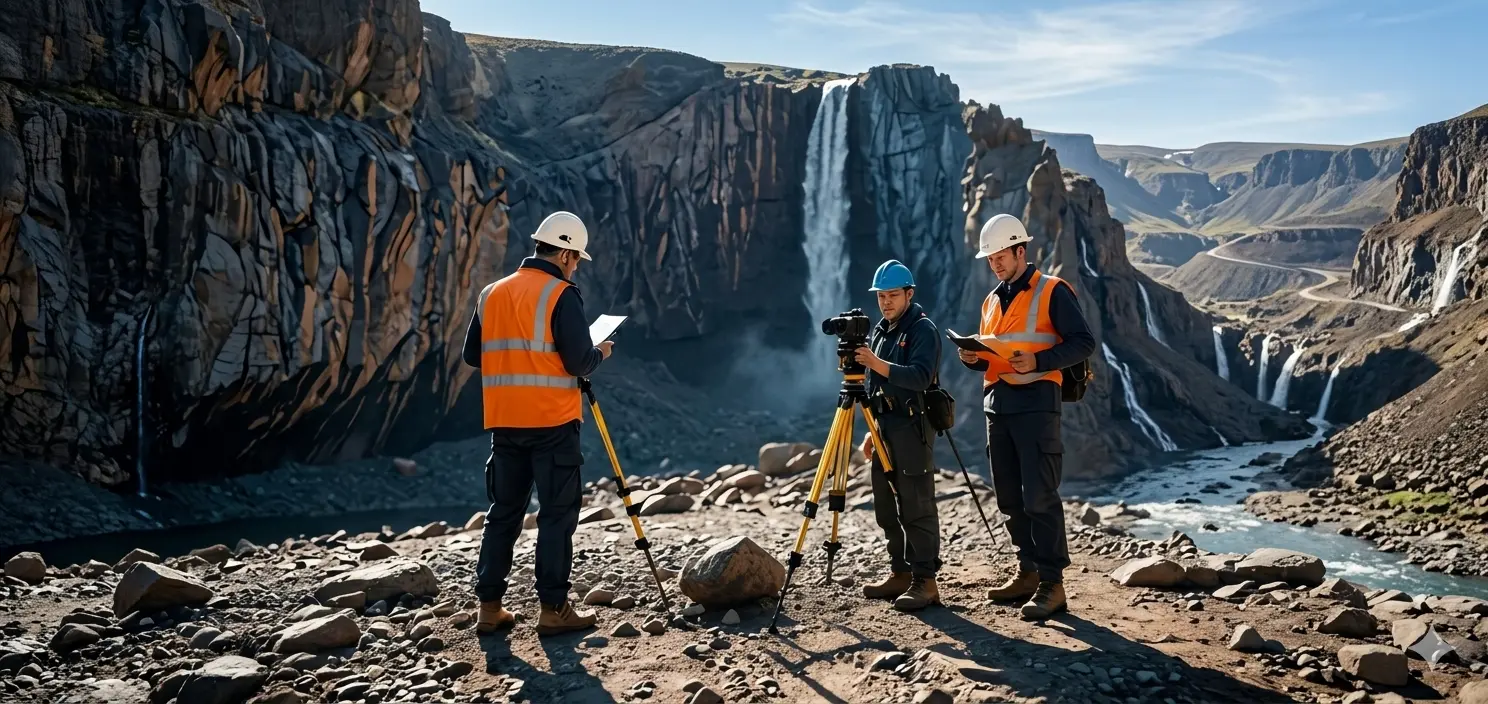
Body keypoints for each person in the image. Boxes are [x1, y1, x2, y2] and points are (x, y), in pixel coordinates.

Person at [461, 211, 613, 637]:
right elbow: (579, 362)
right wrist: (601, 352)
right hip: (552, 423)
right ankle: (553, 609)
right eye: (576, 258)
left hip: (505, 423)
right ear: (564, 254)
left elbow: (473, 355)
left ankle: (489, 608)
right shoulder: (562, 294)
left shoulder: (491, 293)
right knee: (556, 516)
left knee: (503, 514)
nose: (576, 266)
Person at [959, 214, 1095, 620]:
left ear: (1021, 250)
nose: (995, 264)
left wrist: (1038, 360)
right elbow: (993, 355)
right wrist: (971, 357)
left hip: (1037, 404)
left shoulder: (1052, 290)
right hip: (997, 406)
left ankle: (1053, 584)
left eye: (1000, 256)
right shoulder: (990, 300)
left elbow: (1083, 342)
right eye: (990, 258)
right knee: (1009, 498)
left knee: (1040, 495)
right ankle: (1028, 571)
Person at [853, 260, 945, 612]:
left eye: (892, 294)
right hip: (885, 428)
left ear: (909, 294)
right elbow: (877, 385)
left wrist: (874, 362)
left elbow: (920, 377)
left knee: (916, 505)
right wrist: (871, 429)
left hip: (911, 428)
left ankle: (925, 581)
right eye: (881, 296)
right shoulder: (881, 330)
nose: (886, 301)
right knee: (886, 505)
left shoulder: (923, 330)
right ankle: (900, 572)